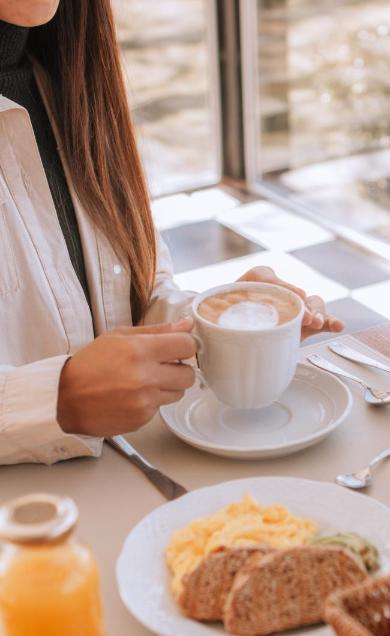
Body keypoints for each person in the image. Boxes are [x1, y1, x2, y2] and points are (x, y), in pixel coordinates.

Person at [0, 0, 343, 465]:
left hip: (129, 483)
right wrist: (56, 400)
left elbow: (127, 305)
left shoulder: (72, 79)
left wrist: (220, 325)